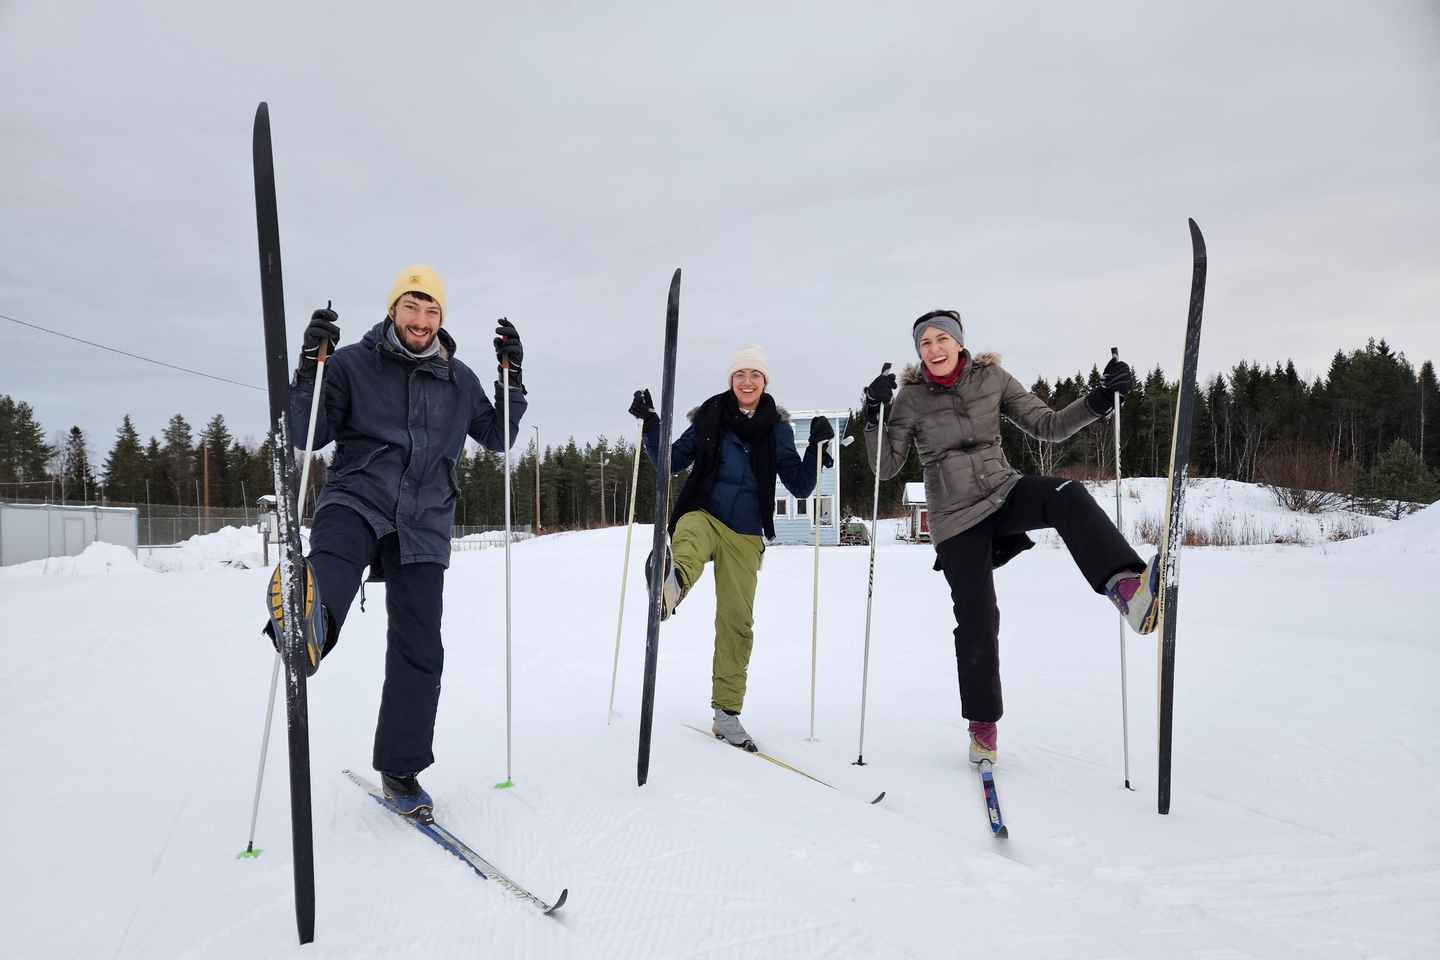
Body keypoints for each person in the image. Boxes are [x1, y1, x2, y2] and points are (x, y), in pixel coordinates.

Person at [274, 264, 527, 813]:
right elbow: (308, 432)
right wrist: (308, 370)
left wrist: (512, 379)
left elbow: (498, 435)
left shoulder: (459, 379)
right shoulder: (350, 365)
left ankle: (401, 768)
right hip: (359, 494)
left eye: (431, 310)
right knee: (335, 558)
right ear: (393, 310)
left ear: (441, 318)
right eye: (411, 307)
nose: (421, 319)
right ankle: (306, 622)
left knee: (420, 646)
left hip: (426, 518)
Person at [860, 309, 1155, 766]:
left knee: (1066, 494)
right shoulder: (911, 399)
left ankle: (1126, 587)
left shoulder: (991, 378)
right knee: (979, 617)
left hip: (1003, 491)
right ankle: (983, 727)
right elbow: (885, 467)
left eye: (942, 339)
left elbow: (1049, 426)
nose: (934, 349)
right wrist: (873, 414)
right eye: (925, 343)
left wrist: (1099, 401)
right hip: (954, 518)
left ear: (960, 343)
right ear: (918, 352)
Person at [628, 346, 835, 751]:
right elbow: (669, 462)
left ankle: (726, 714)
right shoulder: (710, 416)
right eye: (739, 374)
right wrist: (650, 423)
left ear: (764, 381)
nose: (746, 381)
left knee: (737, 623)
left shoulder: (777, 428)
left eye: (754, 374)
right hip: (702, 511)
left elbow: (800, 485)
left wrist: (817, 449)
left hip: (745, 532)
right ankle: (668, 586)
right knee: (687, 545)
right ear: (730, 380)